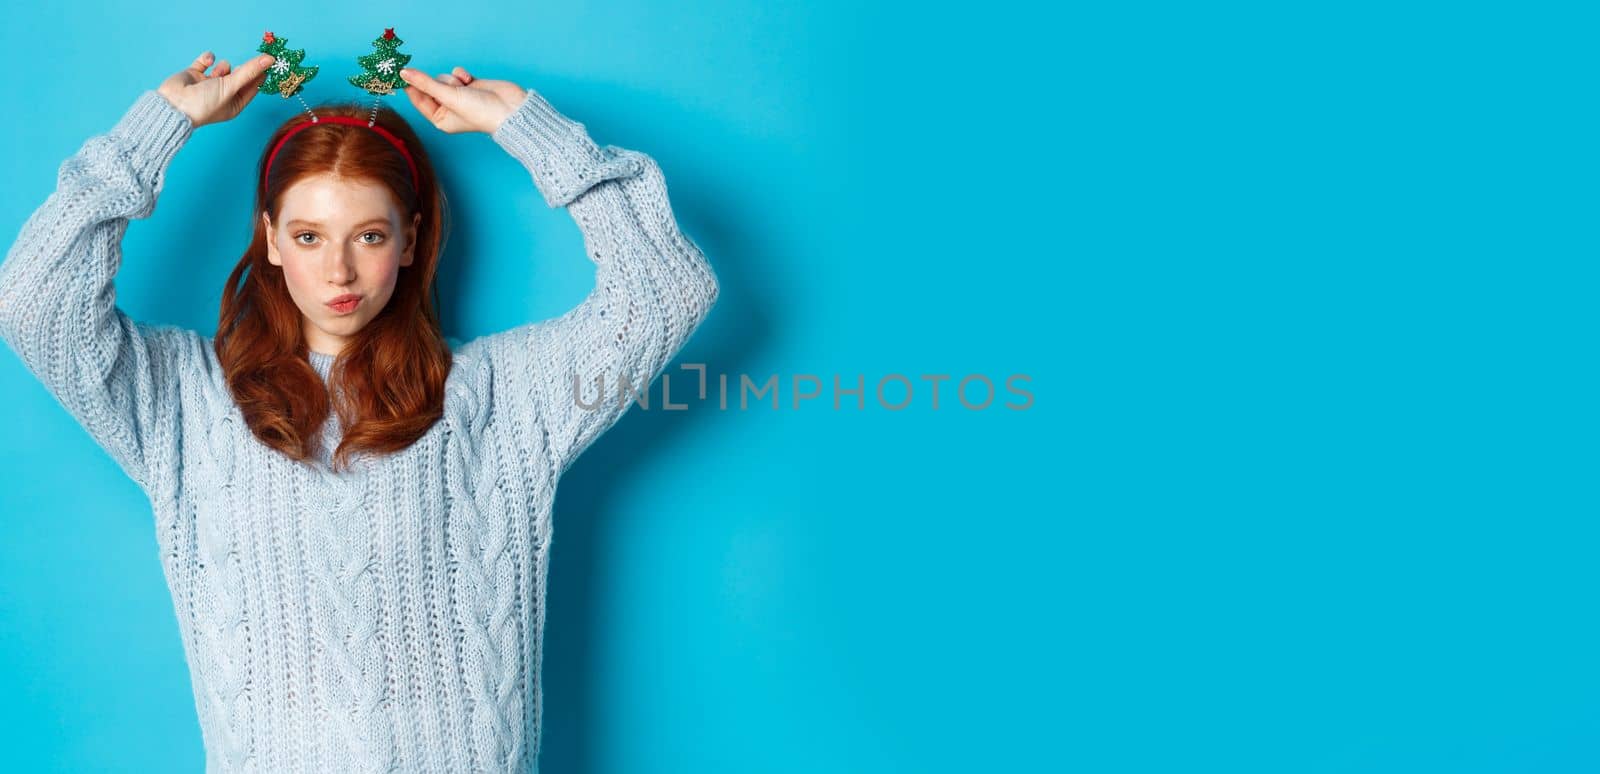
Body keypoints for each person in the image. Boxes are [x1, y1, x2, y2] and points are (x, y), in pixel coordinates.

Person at [0, 49, 719, 773]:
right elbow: (35, 304)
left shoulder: (503, 394)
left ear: (410, 239)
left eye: (368, 236)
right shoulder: (186, 397)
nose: (338, 271)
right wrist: (159, 125)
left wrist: (531, 130)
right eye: (309, 236)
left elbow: (665, 289)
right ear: (271, 238)